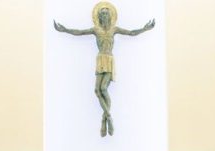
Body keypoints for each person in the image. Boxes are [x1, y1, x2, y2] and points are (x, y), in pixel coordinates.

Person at [54, 2, 155, 136]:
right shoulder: (96, 30)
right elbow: (80, 32)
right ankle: (106, 116)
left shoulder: (114, 29)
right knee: (97, 90)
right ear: (99, 17)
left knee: (103, 89)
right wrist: (65, 29)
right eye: (102, 14)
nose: (105, 16)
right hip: (100, 59)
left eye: (107, 14)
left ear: (110, 16)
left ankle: (107, 119)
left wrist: (145, 29)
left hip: (108, 59)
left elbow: (131, 33)